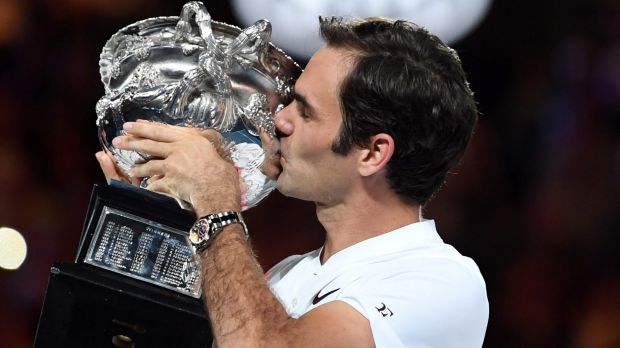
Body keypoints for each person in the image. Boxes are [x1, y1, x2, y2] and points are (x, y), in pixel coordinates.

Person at [96, 16, 489, 348]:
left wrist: (216, 203)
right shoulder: (286, 276)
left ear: (372, 153)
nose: (280, 121)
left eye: (306, 111)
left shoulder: (442, 281)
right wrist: (156, 222)